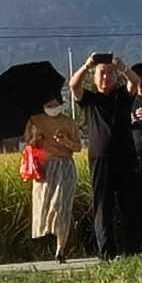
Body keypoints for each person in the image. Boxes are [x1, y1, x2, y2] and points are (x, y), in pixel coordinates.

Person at [77, 52, 142, 260]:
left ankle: (134, 250)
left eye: (110, 73)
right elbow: (75, 86)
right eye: (101, 73)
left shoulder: (122, 95)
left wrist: (123, 67)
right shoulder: (90, 100)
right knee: (103, 206)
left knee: (131, 204)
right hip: (100, 159)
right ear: (94, 76)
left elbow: (135, 83)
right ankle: (107, 253)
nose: (105, 77)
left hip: (126, 157)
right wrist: (86, 66)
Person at [18, 104, 84, 262]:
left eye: (56, 102)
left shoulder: (68, 122)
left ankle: (60, 248)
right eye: (49, 102)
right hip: (44, 169)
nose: (52, 105)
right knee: (44, 207)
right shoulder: (35, 120)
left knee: (61, 207)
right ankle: (46, 240)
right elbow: (28, 143)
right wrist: (35, 138)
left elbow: (78, 147)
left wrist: (65, 141)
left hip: (64, 166)